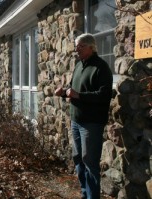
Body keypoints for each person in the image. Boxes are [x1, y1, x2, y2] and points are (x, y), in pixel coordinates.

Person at [54, 33, 113, 199]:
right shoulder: (79, 65)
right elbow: (75, 90)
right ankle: (85, 194)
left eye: (80, 46)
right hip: (76, 120)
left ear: (90, 47)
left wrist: (78, 95)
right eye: (76, 46)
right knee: (78, 160)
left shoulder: (101, 67)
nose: (76, 49)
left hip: (91, 124)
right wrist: (63, 92)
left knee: (90, 163)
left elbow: (104, 95)